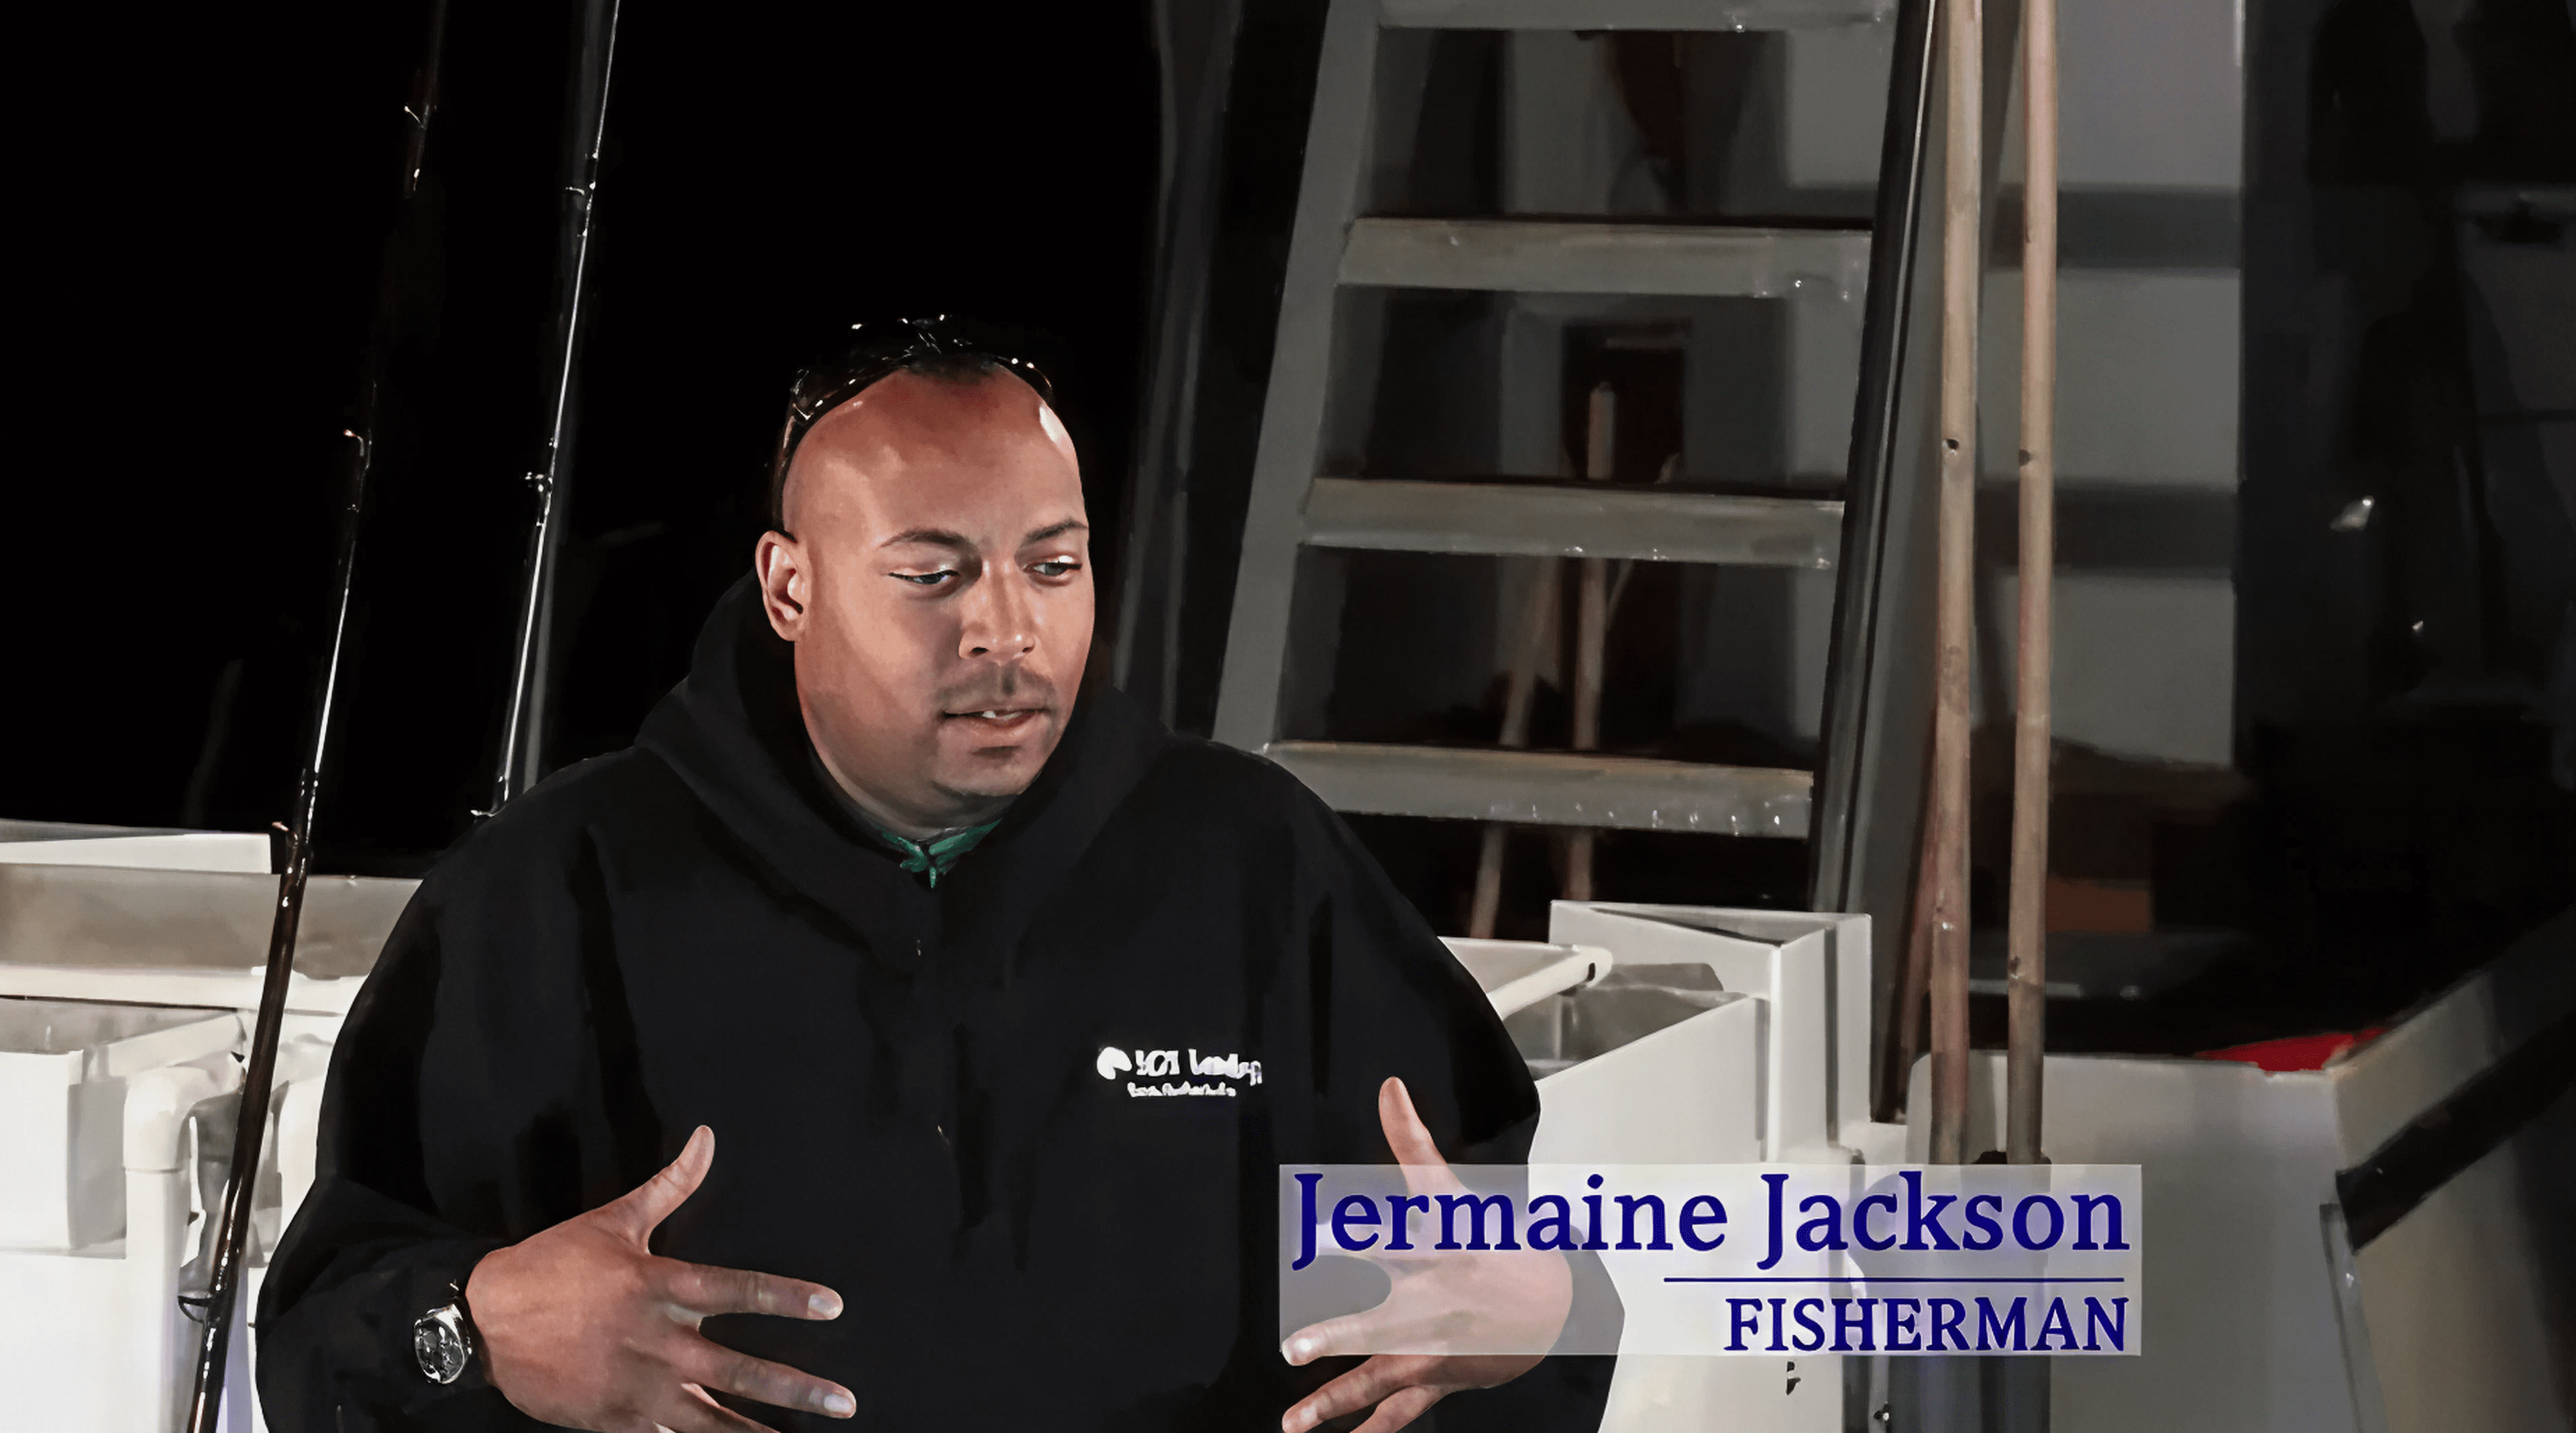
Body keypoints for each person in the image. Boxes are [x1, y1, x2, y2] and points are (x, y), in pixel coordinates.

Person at [257, 318, 1610, 1432]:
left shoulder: (1254, 864)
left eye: (1054, 564)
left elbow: (1496, 1288)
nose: (1007, 630)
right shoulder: (558, 891)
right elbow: (321, 1343)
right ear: (790, 588)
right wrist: (471, 1329)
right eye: (934, 574)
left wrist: (1543, 1315)